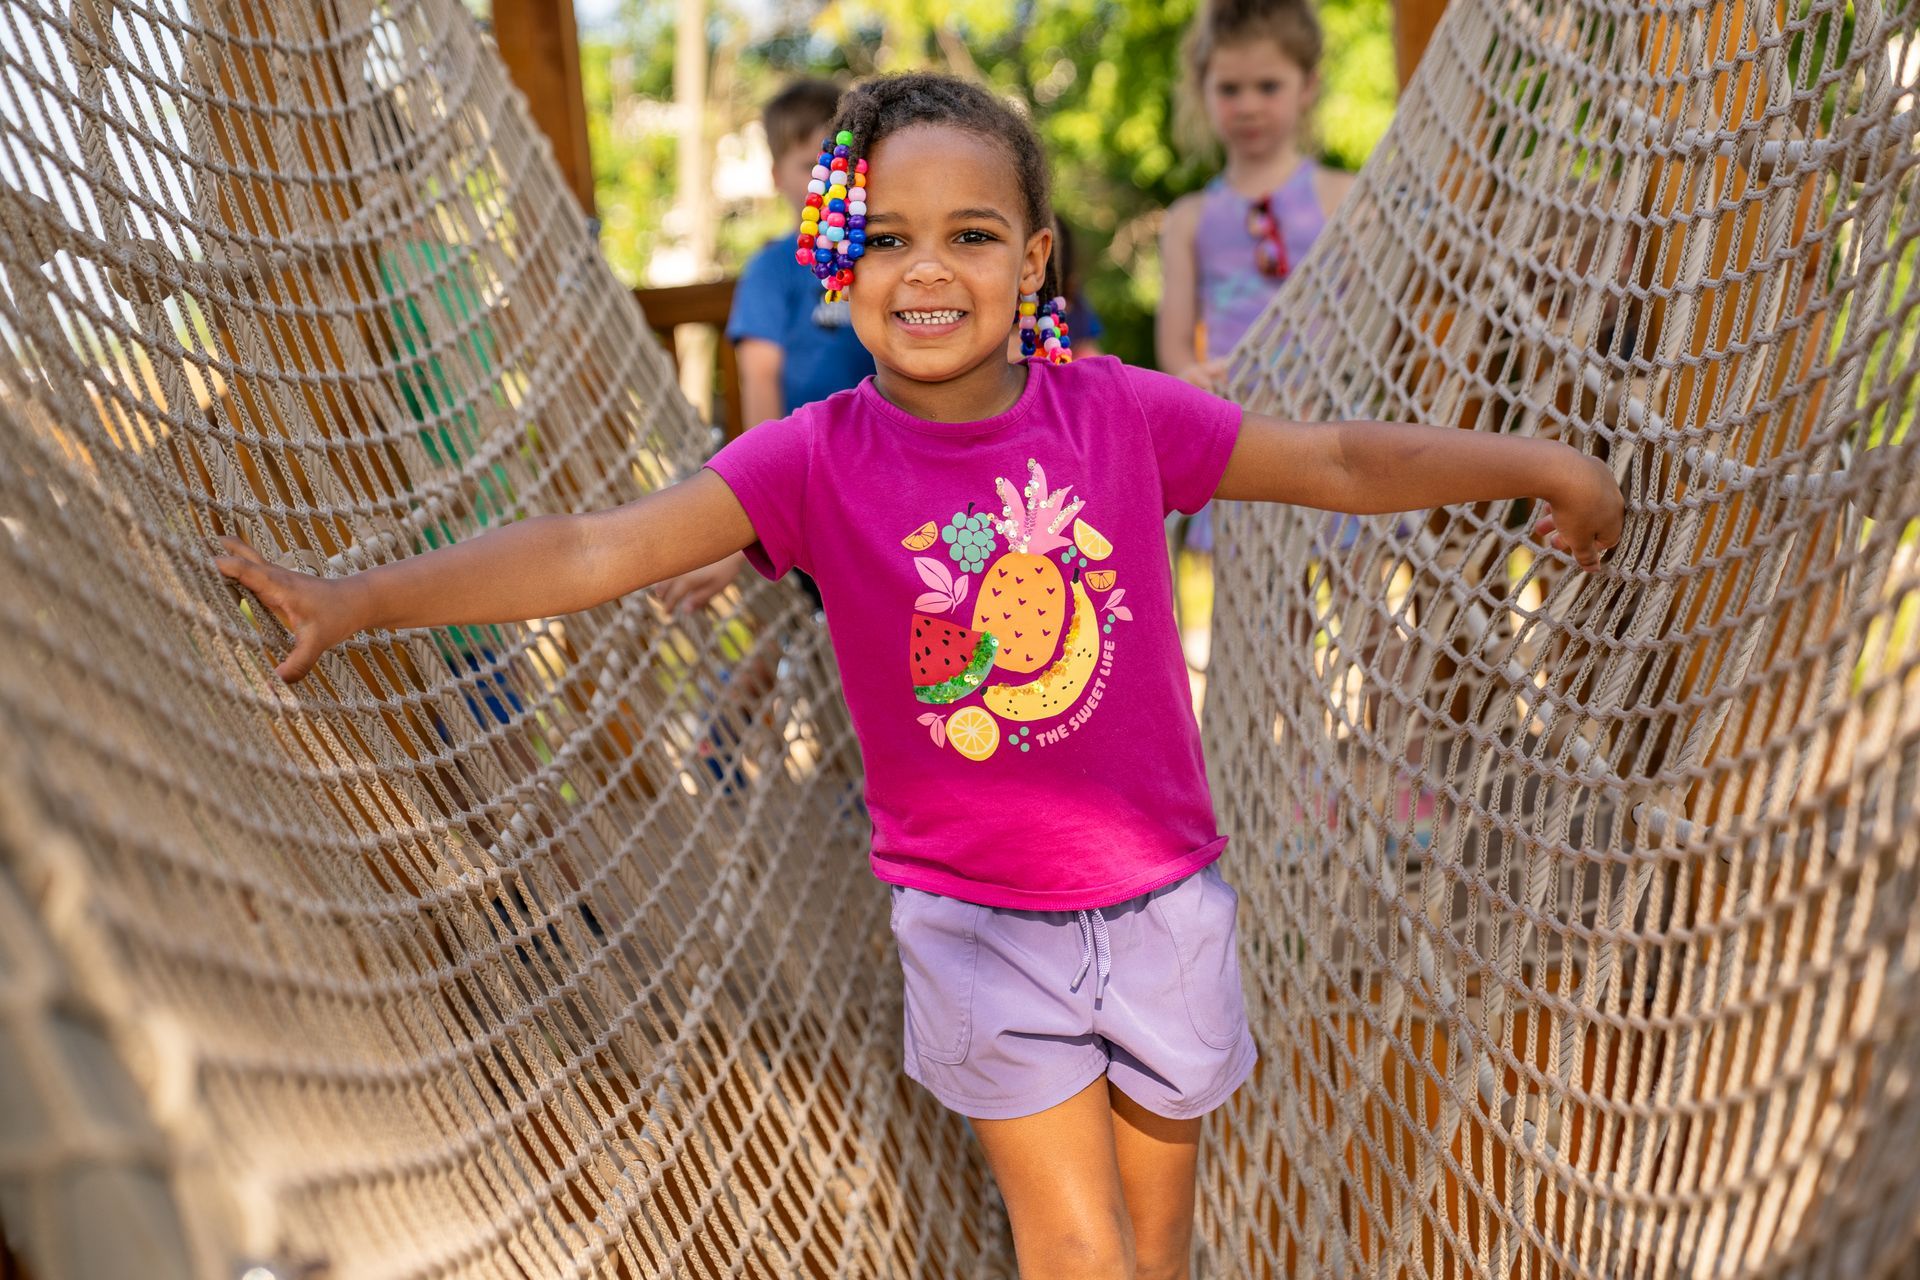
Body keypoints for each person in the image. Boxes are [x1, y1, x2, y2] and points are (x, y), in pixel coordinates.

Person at [214, 72, 1624, 1280]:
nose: (928, 270)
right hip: (976, 924)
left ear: (1034, 260)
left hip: (1163, 904)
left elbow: (1329, 462)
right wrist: (362, 601)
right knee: (1073, 1250)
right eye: (885, 239)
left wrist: (1534, 467)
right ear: (840, 266)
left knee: (1154, 1243)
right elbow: (595, 548)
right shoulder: (812, 458)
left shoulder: (1118, 414)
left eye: (971, 234)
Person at [655, 78, 874, 615]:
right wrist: (760, 495)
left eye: (839, 162)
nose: (828, 178)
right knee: (815, 622)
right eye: (808, 165)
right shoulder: (774, 272)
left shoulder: (881, 258)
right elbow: (759, 379)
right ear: (778, 178)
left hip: (883, 467)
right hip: (811, 479)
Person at [1157, 0, 1354, 559]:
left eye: (1269, 86)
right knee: (1272, 626)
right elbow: (1174, 347)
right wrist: (1191, 378)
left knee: (1366, 614)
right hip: (1244, 441)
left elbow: (1380, 316)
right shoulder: (1190, 218)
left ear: (1308, 85)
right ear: (1204, 90)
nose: (1248, 106)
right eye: (1230, 89)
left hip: (1336, 432)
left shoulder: (1343, 198)